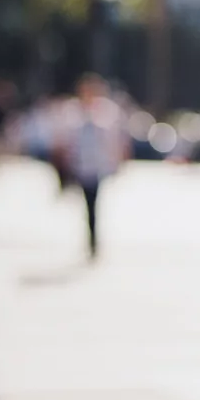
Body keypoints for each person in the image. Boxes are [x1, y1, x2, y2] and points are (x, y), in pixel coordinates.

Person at [61, 75, 128, 261]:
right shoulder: (74, 112)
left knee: (93, 203)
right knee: (88, 204)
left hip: (98, 167)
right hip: (82, 166)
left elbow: (115, 140)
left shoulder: (106, 112)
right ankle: (91, 239)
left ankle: (93, 240)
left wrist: (117, 162)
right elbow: (68, 142)